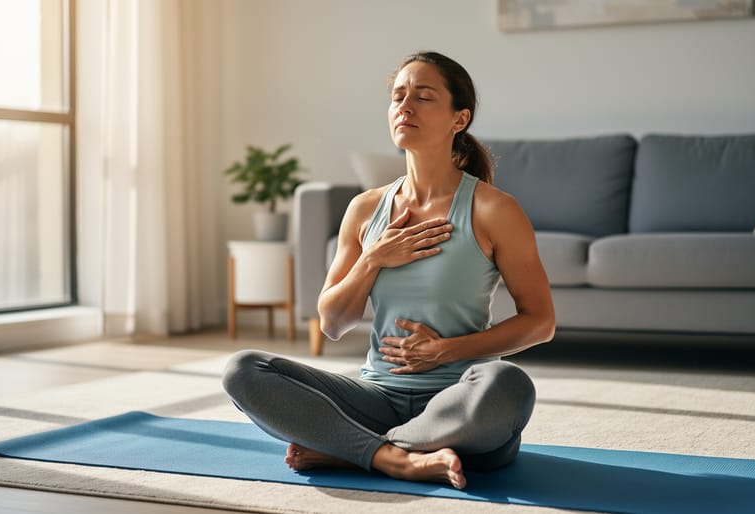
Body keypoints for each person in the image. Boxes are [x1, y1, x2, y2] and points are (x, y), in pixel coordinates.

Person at [223, 51, 555, 490]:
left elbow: (541, 322)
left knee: (508, 384)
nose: (405, 106)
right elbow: (334, 324)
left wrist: (447, 351)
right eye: (399, 95)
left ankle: (357, 450)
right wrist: (372, 258)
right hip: (376, 395)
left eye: (423, 96)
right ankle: (396, 458)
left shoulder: (494, 209)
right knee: (243, 369)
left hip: (461, 398)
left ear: (460, 119)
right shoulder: (365, 210)